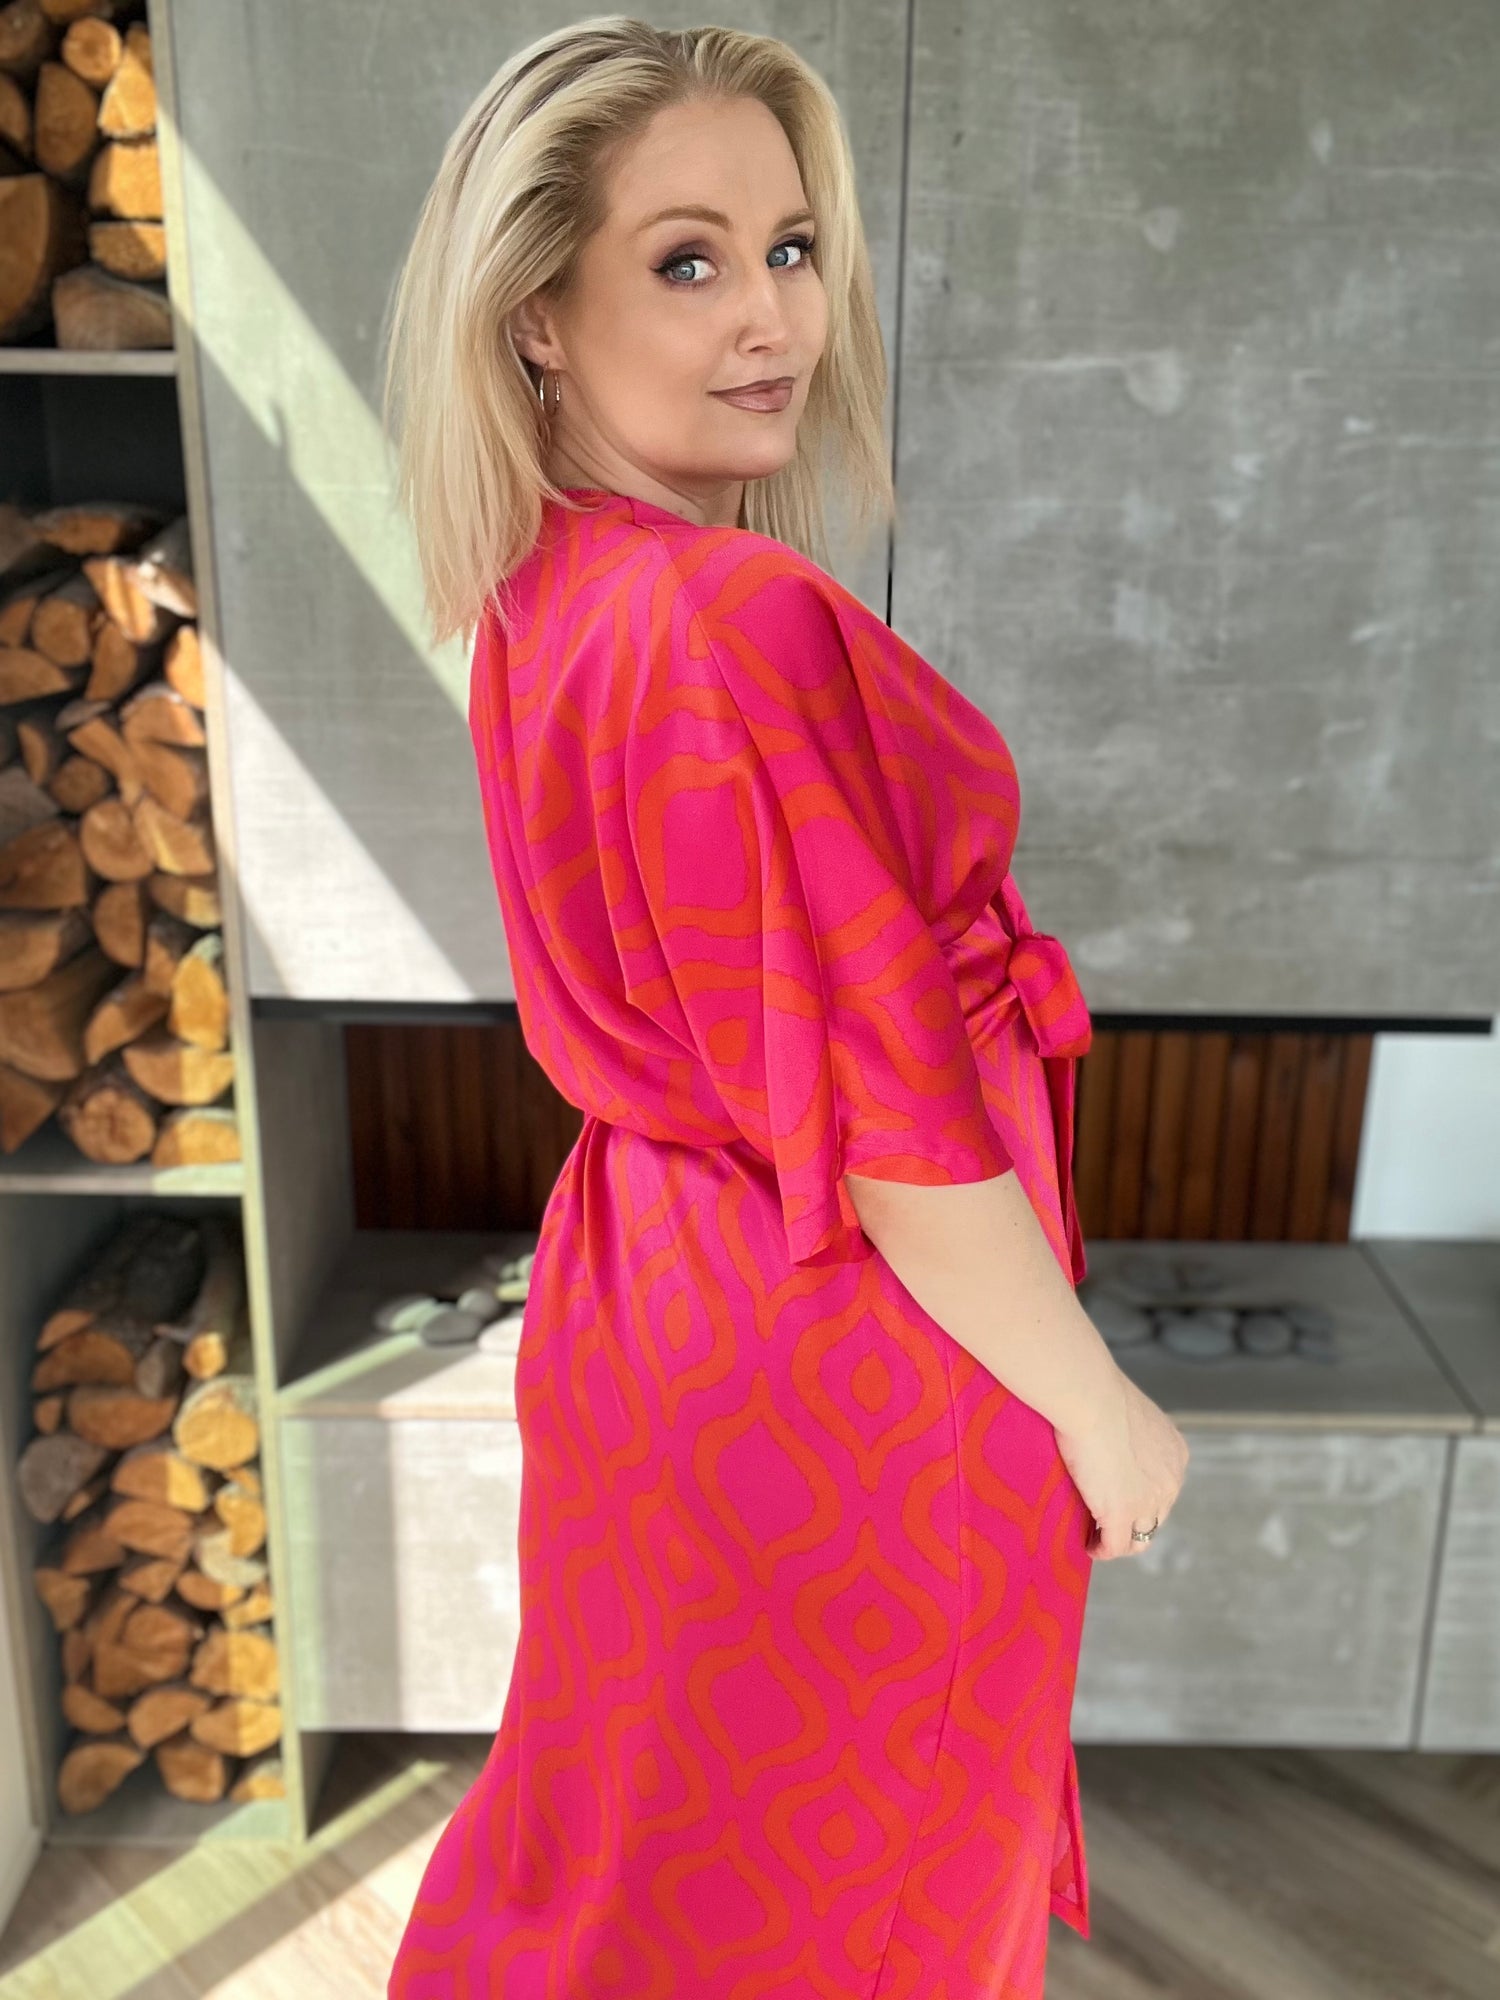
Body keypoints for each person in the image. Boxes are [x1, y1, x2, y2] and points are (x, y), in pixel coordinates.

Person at [380, 16, 1189, 1997]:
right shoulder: (730, 617)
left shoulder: (547, 591)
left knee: (639, 1855)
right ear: (536, 311)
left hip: (660, 1308)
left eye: (794, 248)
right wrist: (1100, 1405)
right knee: (860, 1912)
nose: (775, 317)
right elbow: (891, 1114)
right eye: (689, 259)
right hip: (851, 1340)